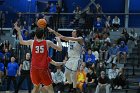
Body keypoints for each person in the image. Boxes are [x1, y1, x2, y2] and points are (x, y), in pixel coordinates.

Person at [14, 22, 66, 93]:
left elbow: (21, 41)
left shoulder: (32, 42)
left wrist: (19, 31)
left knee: (36, 87)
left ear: (35, 35)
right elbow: (60, 48)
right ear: (44, 35)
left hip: (34, 69)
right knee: (50, 88)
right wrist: (59, 40)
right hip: (43, 69)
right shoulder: (47, 42)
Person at [48, 27, 84, 93]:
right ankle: (71, 85)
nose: (72, 32)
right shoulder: (70, 40)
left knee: (73, 73)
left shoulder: (80, 39)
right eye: (72, 31)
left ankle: (74, 89)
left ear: (77, 33)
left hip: (77, 58)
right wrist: (53, 31)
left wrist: (64, 37)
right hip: (70, 58)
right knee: (67, 74)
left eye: (74, 31)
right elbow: (61, 36)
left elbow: (64, 37)